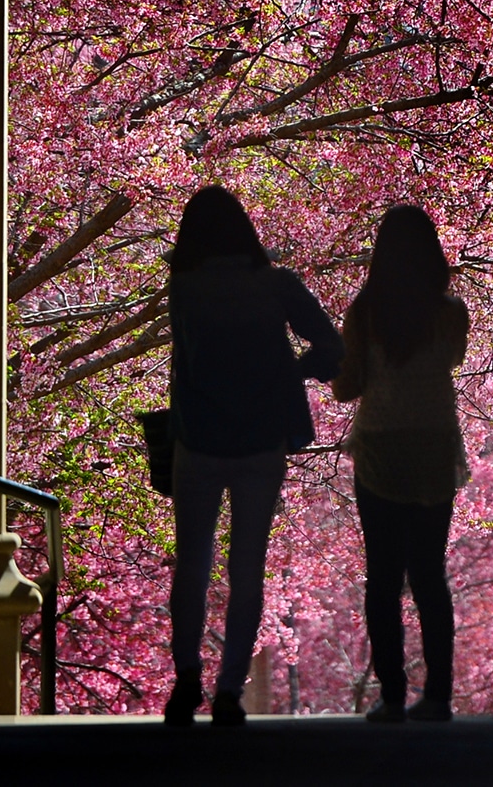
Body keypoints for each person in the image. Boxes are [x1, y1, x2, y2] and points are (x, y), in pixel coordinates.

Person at [163, 185, 341, 727]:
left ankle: (186, 680)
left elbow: (186, 365)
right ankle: (228, 690)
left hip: (197, 440)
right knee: (247, 568)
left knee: (191, 566)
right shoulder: (277, 285)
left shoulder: (184, 289)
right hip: (261, 443)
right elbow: (331, 349)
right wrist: (292, 373)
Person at [333, 204, 470, 724]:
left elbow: (347, 386)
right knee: (430, 576)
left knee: (383, 579)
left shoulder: (365, 312)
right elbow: (452, 359)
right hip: (434, 451)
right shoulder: (450, 311)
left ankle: (391, 695)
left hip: (380, 451)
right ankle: (438, 696)